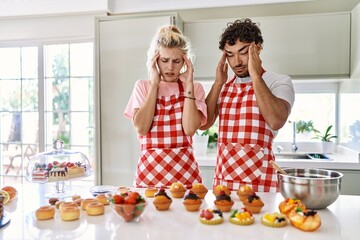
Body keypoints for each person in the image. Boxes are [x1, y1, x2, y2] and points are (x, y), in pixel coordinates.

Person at [202, 18, 295, 192]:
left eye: (243, 52)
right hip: (224, 182)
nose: (236, 62)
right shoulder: (224, 86)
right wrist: (217, 84)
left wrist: (255, 76)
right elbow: (204, 123)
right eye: (230, 54)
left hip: (260, 182)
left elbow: (276, 121)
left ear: (258, 47)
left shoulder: (279, 82)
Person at [124, 25, 207, 189]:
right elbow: (141, 127)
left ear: (185, 61)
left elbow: (190, 129)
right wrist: (154, 85)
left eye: (176, 61)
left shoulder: (194, 88)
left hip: (186, 176)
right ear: (155, 60)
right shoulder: (143, 86)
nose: (170, 67)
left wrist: (188, 83)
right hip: (149, 177)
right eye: (164, 60)